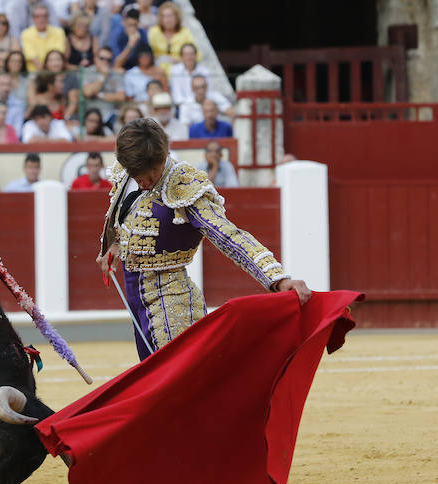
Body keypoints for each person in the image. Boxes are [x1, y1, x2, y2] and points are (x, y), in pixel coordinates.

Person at [96, 118, 311, 360]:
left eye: (150, 174)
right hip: (138, 304)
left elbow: (228, 236)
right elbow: (123, 213)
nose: (143, 182)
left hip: (172, 305)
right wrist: (116, 245)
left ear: (164, 155)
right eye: (136, 176)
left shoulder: (184, 186)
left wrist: (278, 279)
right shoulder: (129, 172)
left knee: (179, 389)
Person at [147, 1, 198, 74]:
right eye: (165, 16)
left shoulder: (185, 32)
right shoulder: (153, 31)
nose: (168, 20)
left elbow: (196, 54)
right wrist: (165, 58)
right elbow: (148, 54)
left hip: (181, 70)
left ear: (177, 17)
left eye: (171, 16)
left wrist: (180, 60)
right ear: (161, 18)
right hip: (158, 70)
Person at [20, 4, 65, 73]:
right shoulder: (26, 34)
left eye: (44, 16)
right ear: (33, 18)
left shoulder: (58, 32)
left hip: (55, 72)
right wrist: (45, 73)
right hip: (35, 73)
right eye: (38, 16)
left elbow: (58, 54)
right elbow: (31, 57)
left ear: (48, 17)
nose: (41, 19)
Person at [169, 42, 208, 106]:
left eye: (191, 54)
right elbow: (177, 97)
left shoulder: (205, 71)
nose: (189, 57)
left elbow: (208, 93)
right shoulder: (175, 70)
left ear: (196, 55)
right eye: (186, 54)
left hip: (202, 106)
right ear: (181, 56)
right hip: (182, 107)